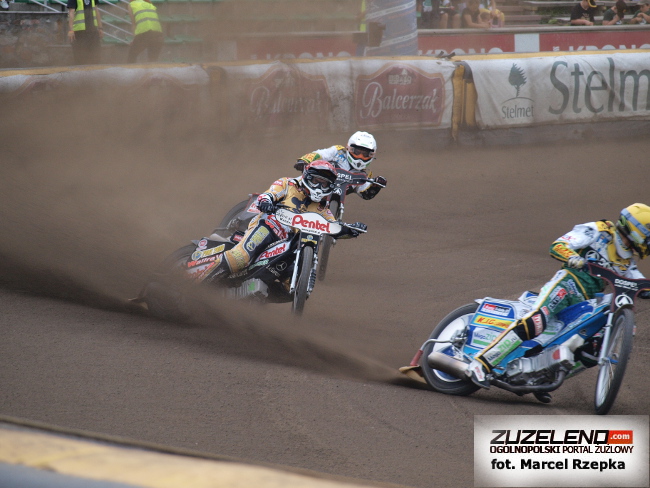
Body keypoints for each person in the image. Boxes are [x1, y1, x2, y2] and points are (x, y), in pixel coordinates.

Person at [466, 203, 650, 390]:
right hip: (566, 284)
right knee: (536, 321)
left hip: (585, 303)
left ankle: (539, 375)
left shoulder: (627, 261)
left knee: (590, 347)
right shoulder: (599, 231)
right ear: (637, 229)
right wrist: (572, 257)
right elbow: (559, 245)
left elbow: (638, 280)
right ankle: (481, 363)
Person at [197, 161, 367, 283]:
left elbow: (333, 227)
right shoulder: (288, 183)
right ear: (308, 177)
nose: (319, 187)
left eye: (324, 184)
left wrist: (350, 230)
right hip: (269, 226)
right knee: (240, 258)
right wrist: (266, 201)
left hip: (291, 243)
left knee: (288, 283)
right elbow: (268, 194)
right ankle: (199, 285)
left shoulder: (322, 208)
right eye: (316, 181)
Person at [295, 131, 387, 201]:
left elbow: (365, 194)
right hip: (308, 185)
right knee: (292, 187)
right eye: (357, 152)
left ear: (371, 155)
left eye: (365, 154)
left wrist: (376, 185)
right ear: (349, 148)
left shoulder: (363, 175)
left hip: (329, 201)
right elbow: (320, 154)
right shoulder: (337, 152)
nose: (360, 156)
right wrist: (304, 160)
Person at [67, 0, 104, 65]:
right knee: (81, 57)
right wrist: (71, 30)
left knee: (96, 56)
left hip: (92, 31)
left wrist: (100, 27)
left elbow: (96, 10)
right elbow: (71, 13)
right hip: (79, 32)